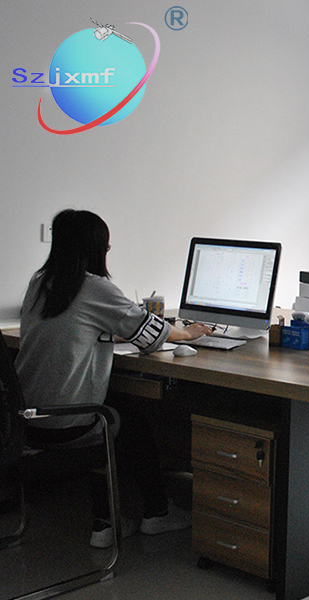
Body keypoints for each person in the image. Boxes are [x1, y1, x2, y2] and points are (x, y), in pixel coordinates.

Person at [14, 209, 212, 548]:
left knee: (115, 407)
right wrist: (187, 333)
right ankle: (155, 513)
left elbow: (78, 329)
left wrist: (112, 331)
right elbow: (151, 336)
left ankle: (106, 522)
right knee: (128, 419)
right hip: (69, 423)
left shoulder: (40, 284)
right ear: (96, 249)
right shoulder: (95, 288)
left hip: (27, 422)